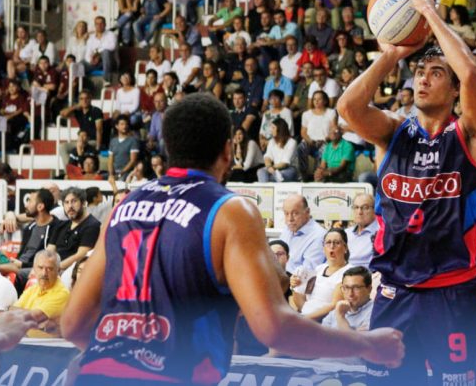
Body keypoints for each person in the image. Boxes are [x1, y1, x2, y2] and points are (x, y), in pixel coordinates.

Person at [61, 94, 405, 385]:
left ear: (167, 148)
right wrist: (364, 345)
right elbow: (275, 330)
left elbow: (73, 324)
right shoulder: (229, 210)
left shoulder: (125, 205)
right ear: (228, 150)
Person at [337, 0, 476, 385]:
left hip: (453, 291)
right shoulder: (393, 132)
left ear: (453, 90)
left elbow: (472, 75)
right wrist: (389, 56)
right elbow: (348, 107)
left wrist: (429, 13)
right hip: (395, 290)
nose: (422, 78)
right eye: (420, 71)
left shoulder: (469, 135)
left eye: (436, 72)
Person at [290, 228, 353, 322]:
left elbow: (334, 306)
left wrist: (304, 319)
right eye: (328, 242)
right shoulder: (319, 269)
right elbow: (302, 300)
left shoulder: (349, 272)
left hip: (325, 323)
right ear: (323, 248)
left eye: (337, 243)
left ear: (345, 248)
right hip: (305, 318)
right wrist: (296, 286)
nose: (332, 246)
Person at [14, 250, 70, 338]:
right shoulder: (33, 288)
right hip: (27, 340)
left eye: (50, 269)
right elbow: (12, 311)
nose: (44, 273)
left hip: (47, 346)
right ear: (34, 268)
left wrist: (28, 316)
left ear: (58, 270)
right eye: (40, 268)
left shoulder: (62, 293)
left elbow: (34, 316)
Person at [48, 187, 101, 271]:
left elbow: (81, 255)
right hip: (52, 269)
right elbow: (49, 252)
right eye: (66, 202)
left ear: (83, 203)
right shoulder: (61, 225)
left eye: (74, 201)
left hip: (73, 271)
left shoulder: (92, 225)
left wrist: (56, 268)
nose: (70, 206)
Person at [279, 194, 327, 275]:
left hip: (297, 284)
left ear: (307, 212)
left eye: (295, 213)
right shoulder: (288, 229)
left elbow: (306, 274)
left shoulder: (319, 236)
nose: (290, 219)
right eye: (286, 213)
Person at [345, 194, 378, 268]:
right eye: (356, 207)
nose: (359, 212)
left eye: (365, 208)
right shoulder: (346, 233)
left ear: (374, 210)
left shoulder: (381, 233)